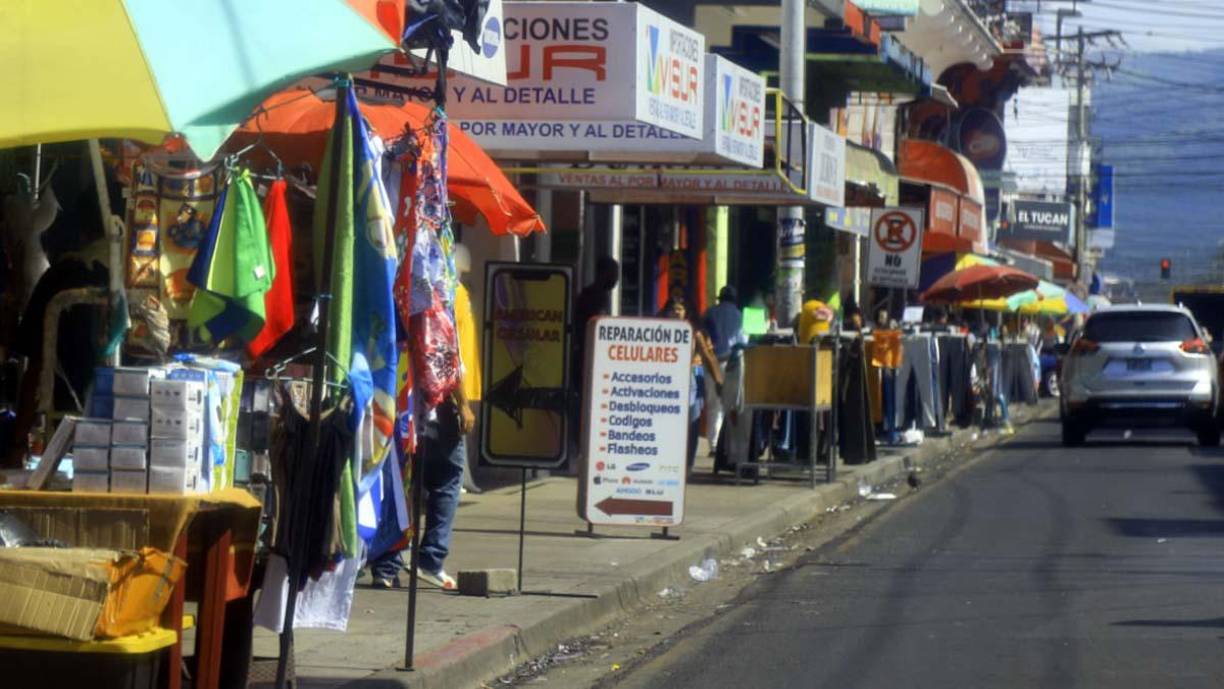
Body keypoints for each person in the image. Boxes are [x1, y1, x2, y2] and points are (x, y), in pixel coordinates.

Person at [701, 286, 743, 454]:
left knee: (713, 404)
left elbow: (702, 336)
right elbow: (743, 342)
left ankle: (714, 445)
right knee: (732, 404)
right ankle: (729, 445)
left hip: (712, 363)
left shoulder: (709, 312)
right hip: (732, 363)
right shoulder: (740, 316)